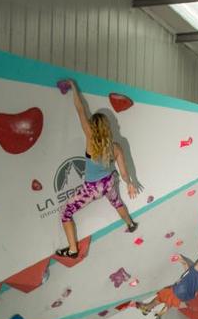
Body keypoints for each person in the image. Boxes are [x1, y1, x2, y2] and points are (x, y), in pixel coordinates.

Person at [55, 78, 141, 258]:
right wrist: (130, 183)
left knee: (65, 212)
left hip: (92, 189)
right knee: (117, 202)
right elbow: (124, 173)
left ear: (93, 127)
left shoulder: (90, 139)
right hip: (109, 182)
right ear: (107, 127)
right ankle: (130, 224)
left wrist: (72, 86)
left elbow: (80, 110)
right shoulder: (116, 147)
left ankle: (72, 250)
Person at [138, 210, 198, 317]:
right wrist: (183, 262)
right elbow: (192, 277)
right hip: (186, 295)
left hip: (181, 290)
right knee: (166, 294)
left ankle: (149, 307)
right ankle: (159, 307)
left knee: (164, 294)